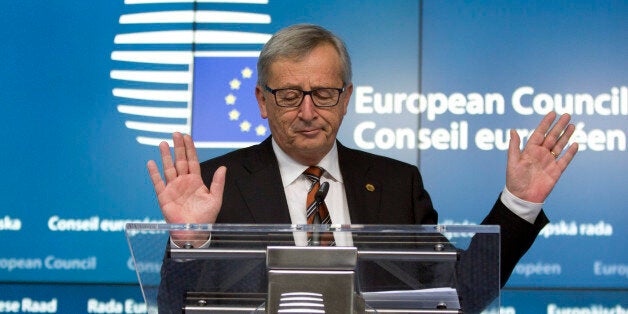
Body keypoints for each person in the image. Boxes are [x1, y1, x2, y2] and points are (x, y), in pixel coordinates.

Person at [147, 24, 578, 312]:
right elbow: (176, 307)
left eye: (325, 93)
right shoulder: (212, 187)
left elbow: (460, 294)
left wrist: (519, 202)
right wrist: (191, 242)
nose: (309, 111)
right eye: (290, 95)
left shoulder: (396, 183)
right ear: (262, 101)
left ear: (347, 97)